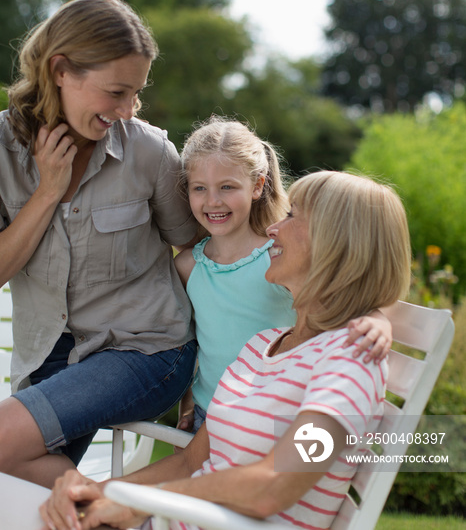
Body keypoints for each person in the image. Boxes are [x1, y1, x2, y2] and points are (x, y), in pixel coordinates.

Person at [32, 169, 411, 530]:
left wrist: (138, 502)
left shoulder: (349, 362)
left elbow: (274, 487)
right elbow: (188, 464)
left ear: (338, 244)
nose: (275, 227)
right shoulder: (263, 346)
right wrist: (97, 494)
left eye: (294, 216)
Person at [0, 0, 198, 488]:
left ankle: (118, 510)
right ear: (61, 70)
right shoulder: (2, 152)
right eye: (116, 92)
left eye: (136, 93)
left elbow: (201, 253)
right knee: (28, 502)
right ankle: (119, 516)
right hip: (50, 352)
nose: (128, 109)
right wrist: (47, 191)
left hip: (145, 349)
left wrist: (213, 371)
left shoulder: (148, 151)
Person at [175, 117, 393, 434]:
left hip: (270, 419)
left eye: (227, 187)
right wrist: (188, 400)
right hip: (208, 415)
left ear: (258, 186)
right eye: (199, 188)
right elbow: (187, 344)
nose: (213, 201)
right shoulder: (188, 266)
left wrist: (378, 321)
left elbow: (346, 297)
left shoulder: (280, 259)